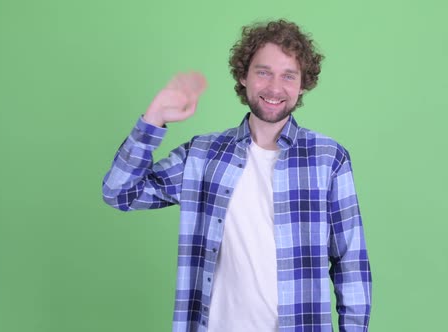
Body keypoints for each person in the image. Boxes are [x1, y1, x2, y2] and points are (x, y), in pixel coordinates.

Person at [102, 19, 371, 332]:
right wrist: (153, 119)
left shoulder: (328, 159)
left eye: (288, 75)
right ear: (243, 76)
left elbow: (351, 263)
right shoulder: (202, 155)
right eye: (263, 72)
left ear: (302, 84)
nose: (274, 87)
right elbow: (119, 193)